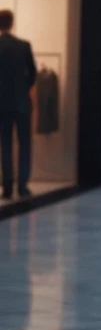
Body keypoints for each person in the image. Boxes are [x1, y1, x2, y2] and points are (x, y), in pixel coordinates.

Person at [0, 10, 36, 200]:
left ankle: (7, 186)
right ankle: (22, 185)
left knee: (5, 144)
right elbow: (33, 73)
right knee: (24, 144)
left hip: (2, 104)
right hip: (21, 102)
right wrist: (23, 88)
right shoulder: (24, 46)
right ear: (12, 23)